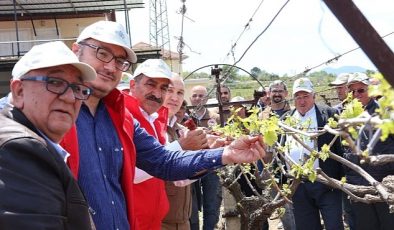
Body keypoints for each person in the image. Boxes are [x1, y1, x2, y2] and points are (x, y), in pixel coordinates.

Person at [60, 20, 266, 230]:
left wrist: (226, 153)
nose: (110, 66)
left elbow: (163, 162)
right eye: (102, 53)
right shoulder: (52, 112)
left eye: (120, 61)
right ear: (76, 51)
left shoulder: (121, 118)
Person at [0, 41, 97, 229]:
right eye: (55, 82)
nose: (70, 98)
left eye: (77, 88)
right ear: (19, 91)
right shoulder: (19, 149)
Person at [283, 78, 344, 230]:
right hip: (299, 185)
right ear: (293, 98)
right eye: (298, 97)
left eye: (306, 96)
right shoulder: (286, 119)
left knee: (334, 225)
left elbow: (340, 149)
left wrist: (341, 181)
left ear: (314, 96)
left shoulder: (329, 114)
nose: (302, 101)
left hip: (327, 183)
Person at [344, 73, 394, 230]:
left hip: (383, 185)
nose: (356, 95)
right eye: (352, 91)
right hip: (358, 187)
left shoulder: (385, 115)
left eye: (361, 90)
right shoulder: (346, 117)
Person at [162, 73, 210, 230]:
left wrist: (214, 153)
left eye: (180, 93)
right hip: (159, 221)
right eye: (170, 90)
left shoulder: (178, 129)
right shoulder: (150, 128)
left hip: (182, 219)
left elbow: (182, 177)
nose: (175, 98)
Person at [259, 80, 295, 230]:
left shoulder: (293, 113)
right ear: (269, 94)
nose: (277, 94)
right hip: (270, 168)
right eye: (274, 91)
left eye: (280, 91)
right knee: (281, 208)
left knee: (293, 206)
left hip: (290, 166)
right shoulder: (262, 116)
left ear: (286, 94)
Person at [189, 85, 222, 230]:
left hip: (211, 166)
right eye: (195, 95)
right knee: (192, 205)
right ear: (190, 98)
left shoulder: (215, 117)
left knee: (212, 202)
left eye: (201, 96)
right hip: (190, 166)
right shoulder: (185, 117)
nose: (197, 99)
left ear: (207, 98)